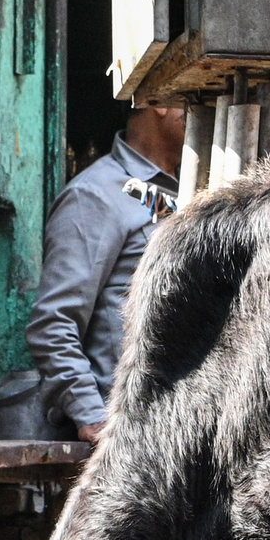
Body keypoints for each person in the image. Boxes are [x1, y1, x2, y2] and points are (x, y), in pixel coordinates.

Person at [27, 106, 186, 443]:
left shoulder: (190, 189)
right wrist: (92, 415)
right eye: (193, 100)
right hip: (128, 432)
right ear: (160, 104)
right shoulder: (95, 194)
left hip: (181, 425)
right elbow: (53, 322)